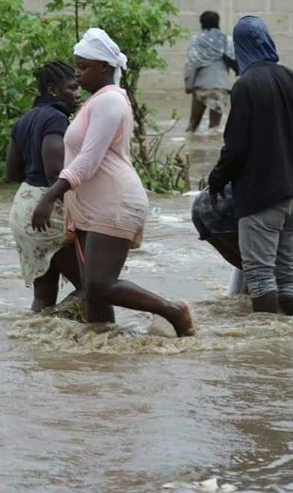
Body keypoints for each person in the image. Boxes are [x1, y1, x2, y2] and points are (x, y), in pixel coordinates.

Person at [31, 28, 196, 337]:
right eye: (77, 66)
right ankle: (104, 357)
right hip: (96, 207)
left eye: (84, 67)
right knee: (94, 292)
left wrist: (50, 196)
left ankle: (174, 312)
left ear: (105, 67)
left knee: (99, 284)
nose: (78, 74)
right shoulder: (97, 102)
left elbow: (88, 161)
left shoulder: (110, 102)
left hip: (114, 203)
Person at [207, 15, 293, 316]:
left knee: (261, 274)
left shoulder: (246, 85)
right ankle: (289, 336)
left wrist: (216, 180)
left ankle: (266, 344)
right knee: (287, 270)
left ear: (240, 49)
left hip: (261, 193)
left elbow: (235, 147)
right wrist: (288, 137)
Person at [5, 61, 83, 312]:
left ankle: (41, 344)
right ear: (53, 90)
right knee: (93, 287)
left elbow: (11, 172)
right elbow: (54, 173)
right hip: (46, 212)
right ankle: (62, 330)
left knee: (44, 296)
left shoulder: (24, 120)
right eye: (72, 87)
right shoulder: (56, 119)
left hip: (23, 208)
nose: (78, 93)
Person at [192, 176, 293, 295]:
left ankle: (239, 308)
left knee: (251, 265)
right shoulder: (288, 205)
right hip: (224, 206)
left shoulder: (285, 194)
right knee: (268, 268)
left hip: (202, 206)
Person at [183, 11, 239, 134]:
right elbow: (235, 60)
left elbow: (191, 64)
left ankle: (188, 150)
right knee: (215, 128)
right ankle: (213, 152)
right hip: (220, 87)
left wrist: (188, 86)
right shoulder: (227, 40)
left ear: (201, 23)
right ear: (218, 22)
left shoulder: (197, 40)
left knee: (192, 125)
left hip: (201, 86)